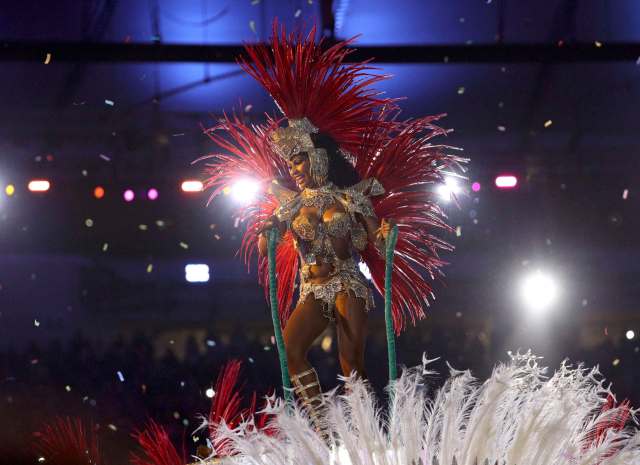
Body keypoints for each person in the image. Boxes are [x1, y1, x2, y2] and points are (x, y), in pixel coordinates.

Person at [254, 122, 393, 423]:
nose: (293, 170)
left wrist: (386, 234)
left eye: (298, 161)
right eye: (290, 164)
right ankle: (323, 426)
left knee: (351, 363)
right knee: (290, 351)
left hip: (347, 282)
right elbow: (264, 249)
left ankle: (365, 431)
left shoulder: (350, 198)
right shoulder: (290, 205)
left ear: (318, 158)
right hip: (313, 289)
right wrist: (267, 231)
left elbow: (380, 245)